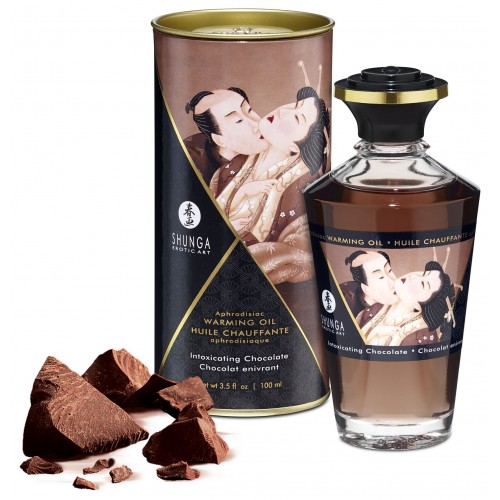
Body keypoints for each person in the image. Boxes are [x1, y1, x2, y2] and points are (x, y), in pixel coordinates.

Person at [210, 85, 330, 284]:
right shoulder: (236, 164)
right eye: (294, 105)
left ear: (295, 146)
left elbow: (299, 253)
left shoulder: (301, 187)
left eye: (297, 118)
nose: (283, 111)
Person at [357, 261, 456, 346]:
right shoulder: (376, 308)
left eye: (423, 284)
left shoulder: (422, 335)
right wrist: (375, 331)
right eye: (423, 273)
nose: (413, 276)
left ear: (421, 306)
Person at [184, 88, 269, 184]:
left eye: (249, 110)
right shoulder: (192, 162)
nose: (256, 124)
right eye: (238, 121)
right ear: (219, 140)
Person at [341, 250, 398, 317]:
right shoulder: (345, 302)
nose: (393, 282)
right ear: (366, 289)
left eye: (389, 271)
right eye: (381, 277)